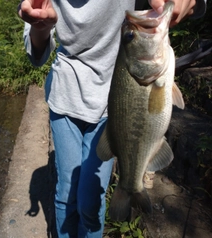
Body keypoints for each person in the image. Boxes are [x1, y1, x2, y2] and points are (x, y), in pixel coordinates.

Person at [18, 0, 207, 237]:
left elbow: (192, 5)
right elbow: (36, 54)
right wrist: (40, 26)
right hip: (65, 96)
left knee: (91, 199)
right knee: (66, 194)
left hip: (114, 107)